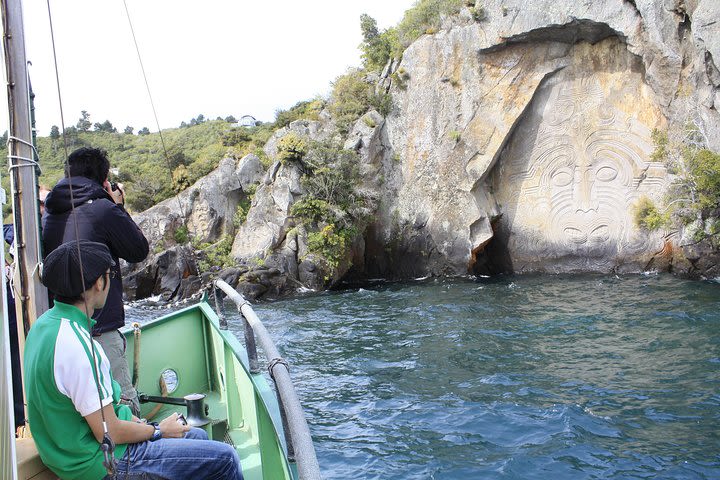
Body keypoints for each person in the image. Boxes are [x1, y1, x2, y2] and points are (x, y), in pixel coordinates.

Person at [24, 240, 243, 480]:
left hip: (68, 453)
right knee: (225, 459)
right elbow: (110, 433)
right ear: (100, 283)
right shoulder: (80, 347)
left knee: (196, 436)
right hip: (101, 464)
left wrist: (138, 422)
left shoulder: (43, 327)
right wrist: (158, 430)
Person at [42, 147, 148, 415]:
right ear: (102, 181)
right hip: (100, 326)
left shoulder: (49, 213)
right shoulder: (103, 209)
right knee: (121, 404)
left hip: (62, 328)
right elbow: (138, 250)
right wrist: (118, 206)